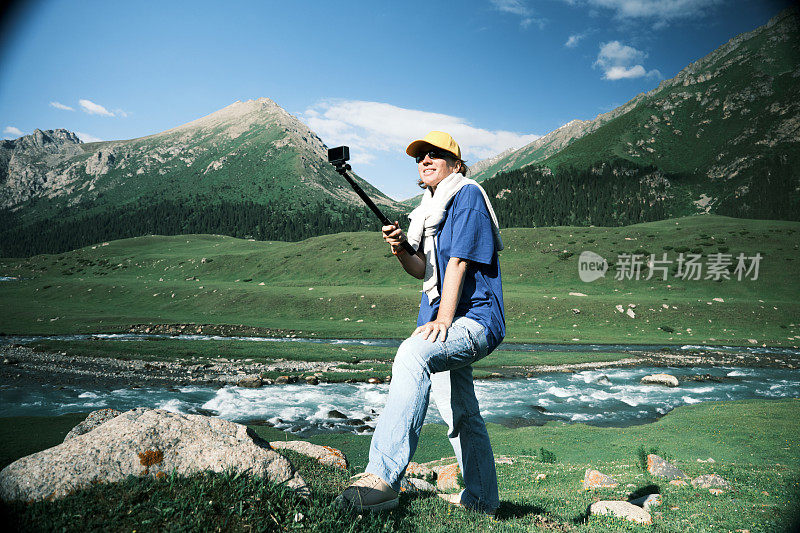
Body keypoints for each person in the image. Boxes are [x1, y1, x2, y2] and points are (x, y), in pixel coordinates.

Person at [335, 131, 505, 515]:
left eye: (435, 155)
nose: (425, 161)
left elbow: (460, 261)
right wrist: (399, 248)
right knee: (460, 411)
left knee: (413, 354)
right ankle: (482, 500)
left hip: (474, 319)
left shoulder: (467, 196)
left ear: (456, 165)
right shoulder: (428, 210)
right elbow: (422, 270)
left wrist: (443, 319)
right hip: (442, 319)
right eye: (420, 157)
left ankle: (382, 477)